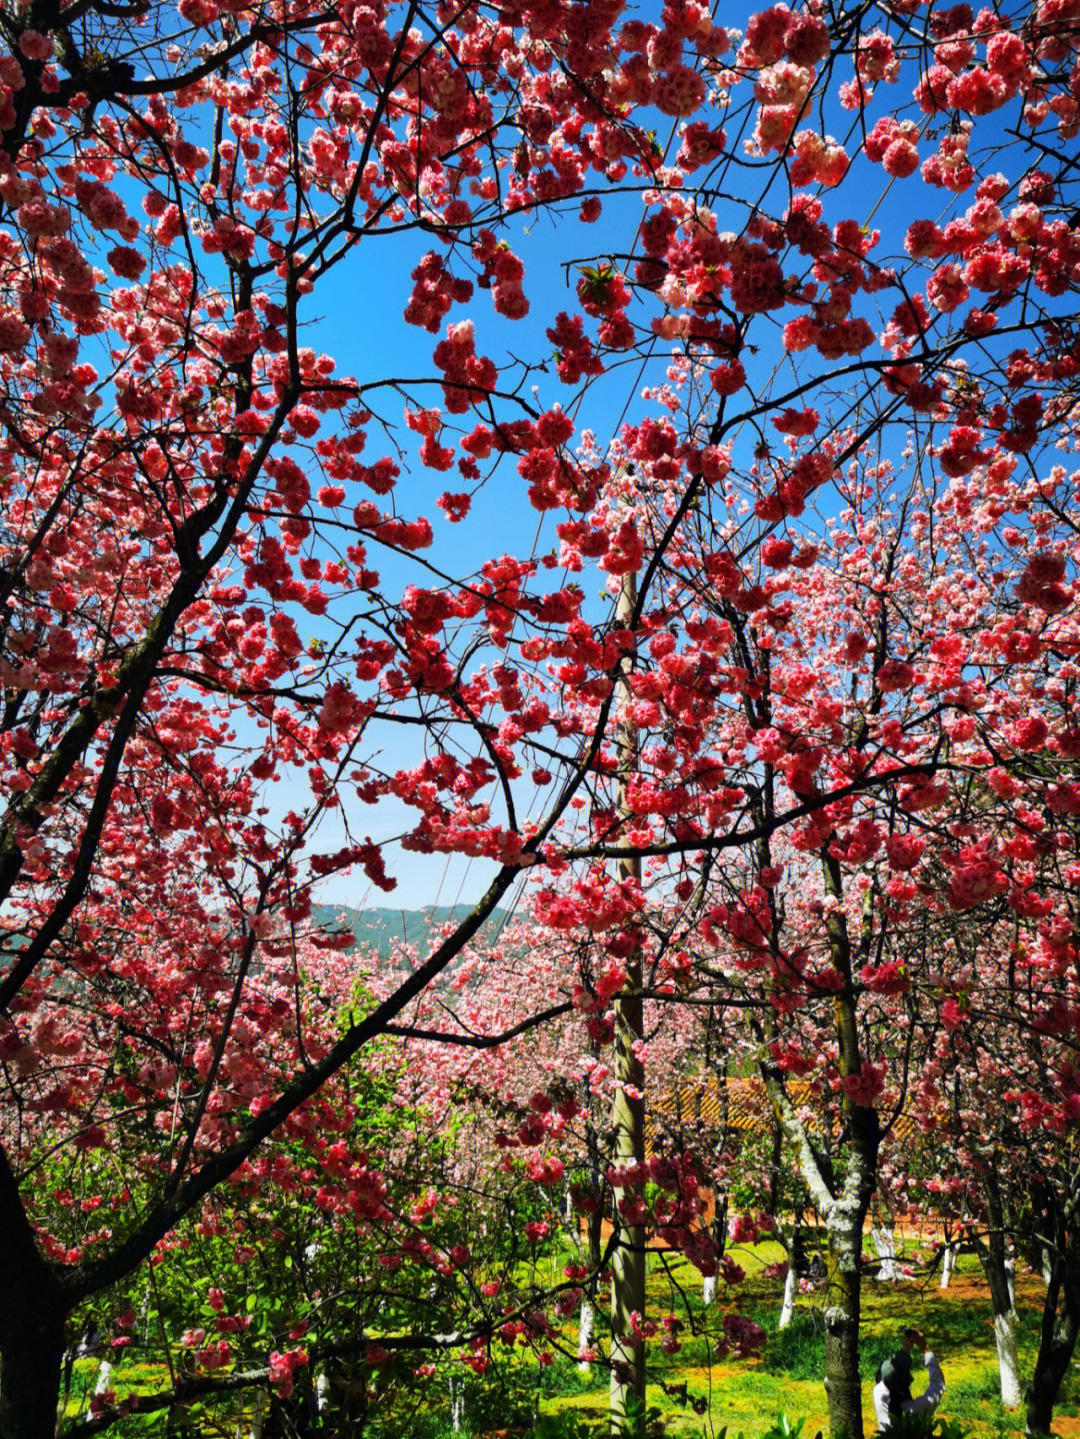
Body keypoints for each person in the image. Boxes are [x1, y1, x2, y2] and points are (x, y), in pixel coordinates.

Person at [872, 1327, 946, 1432]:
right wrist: (924, 1348)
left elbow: (887, 1379)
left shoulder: (879, 1394)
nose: (912, 1378)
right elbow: (938, 1383)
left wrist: (906, 1348)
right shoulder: (918, 1409)